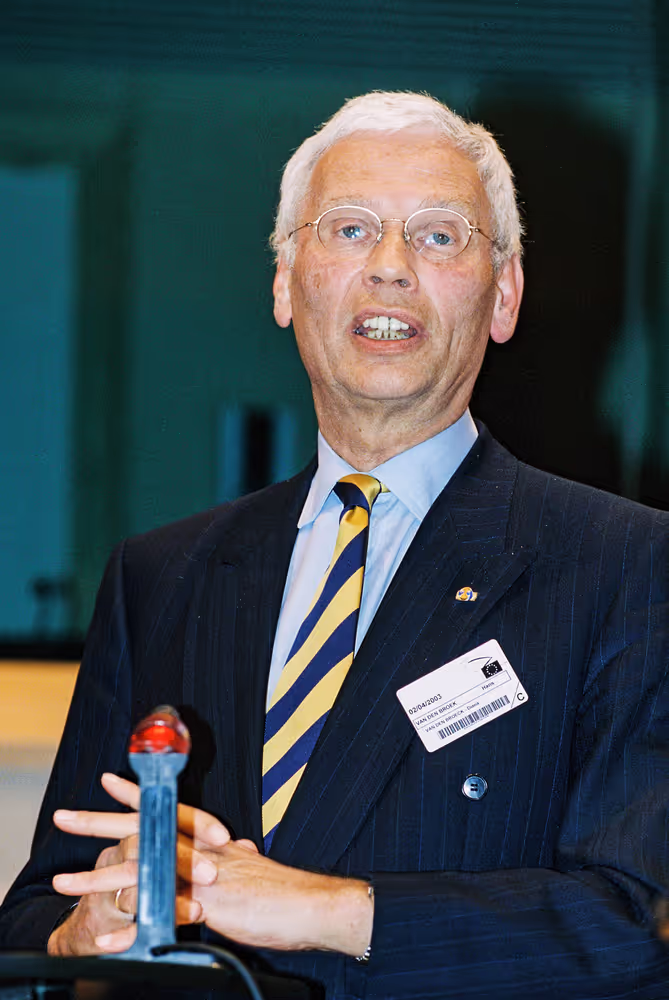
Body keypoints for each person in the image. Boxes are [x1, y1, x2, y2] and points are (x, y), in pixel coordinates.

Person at [1, 90, 669, 999]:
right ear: (284, 282)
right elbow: (37, 914)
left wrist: (320, 908)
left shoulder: (624, 566)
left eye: (438, 236)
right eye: (349, 229)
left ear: (503, 294)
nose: (390, 267)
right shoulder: (163, 576)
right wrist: (86, 932)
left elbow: (630, 931)